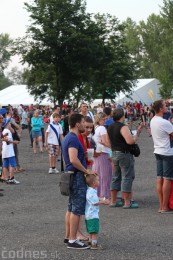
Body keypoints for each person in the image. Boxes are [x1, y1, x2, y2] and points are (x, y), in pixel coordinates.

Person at [62, 113, 96, 250]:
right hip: (76, 176)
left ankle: (68, 237)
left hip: (72, 175)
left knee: (71, 208)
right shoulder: (73, 139)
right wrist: (86, 171)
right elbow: (73, 159)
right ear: (77, 124)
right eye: (82, 122)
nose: (84, 124)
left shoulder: (69, 137)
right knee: (76, 210)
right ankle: (72, 240)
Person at [105, 108, 142, 208]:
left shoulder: (110, 126)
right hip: (124, 153)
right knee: (127, 176)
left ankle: (113, 201)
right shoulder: (123, 127)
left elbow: (108, 142)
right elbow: (130, 141)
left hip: (114, 153)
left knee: (115, 176)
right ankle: (127, 202)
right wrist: (136, 135)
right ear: (122, 116)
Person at [150, 99, 173, 213]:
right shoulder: (165, 122)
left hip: (157, 150)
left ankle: (161, 205)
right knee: (167, 178)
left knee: (159, 177)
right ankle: (165, 206)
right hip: (167, 151)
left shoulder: (153, 120)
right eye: (165, 105)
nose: (167, 107)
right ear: (160, 108)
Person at [85, 174, 109, 249]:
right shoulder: (92, 192)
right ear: (93, 183)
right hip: (93, 215)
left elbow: (95, 199)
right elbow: (94, 202)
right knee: (94, 231)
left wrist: (101, 198)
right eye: (97, 180)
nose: (99, 181)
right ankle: (94, 245)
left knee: (90, 230)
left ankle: (90, 241)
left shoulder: (90, 190)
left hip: (88, 215)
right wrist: (103, 202)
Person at [92, 112, 112, 200]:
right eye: (104, 119)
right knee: (105, 175)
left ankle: (97, 193)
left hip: (96, 152)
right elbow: (105, 142)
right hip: (103, 153)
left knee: (97, 174)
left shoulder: (95, 128)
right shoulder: (102, 128)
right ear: (100, 119)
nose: (105, 121)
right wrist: (112, 146)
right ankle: (105, 194)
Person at [1, 118, 20, 184]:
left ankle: (6, 178)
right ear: (7, 124)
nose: (10, 124)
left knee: (5, 165)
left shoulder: (3, 131)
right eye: (9, 123)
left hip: (4, 151)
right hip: (9, 150)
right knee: (12, 164)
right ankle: (11, 178)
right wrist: (15, 142)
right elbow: (8, 141)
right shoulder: (7, 131)